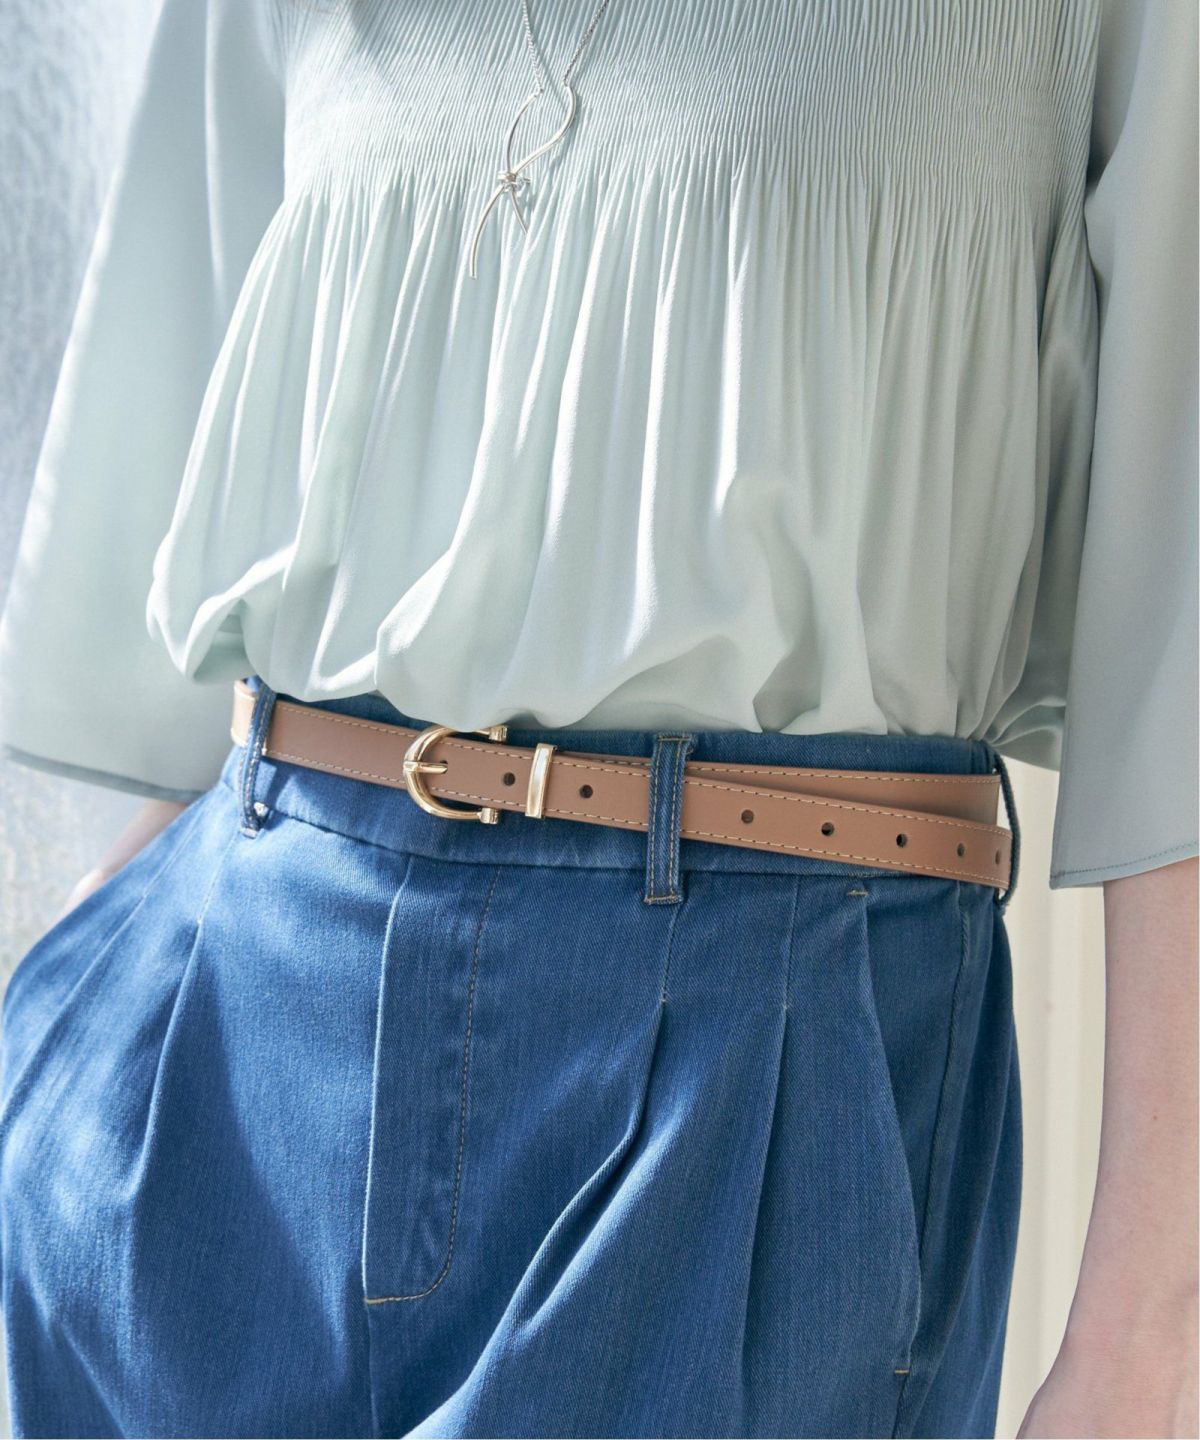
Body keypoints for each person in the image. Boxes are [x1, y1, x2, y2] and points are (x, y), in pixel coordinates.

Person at [0, 1, 1195, 1436]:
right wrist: (64, 1055)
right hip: (227, 1032)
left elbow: (1180, 641)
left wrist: (1141, 1346)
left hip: (759, 1041)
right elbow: (178, 512)